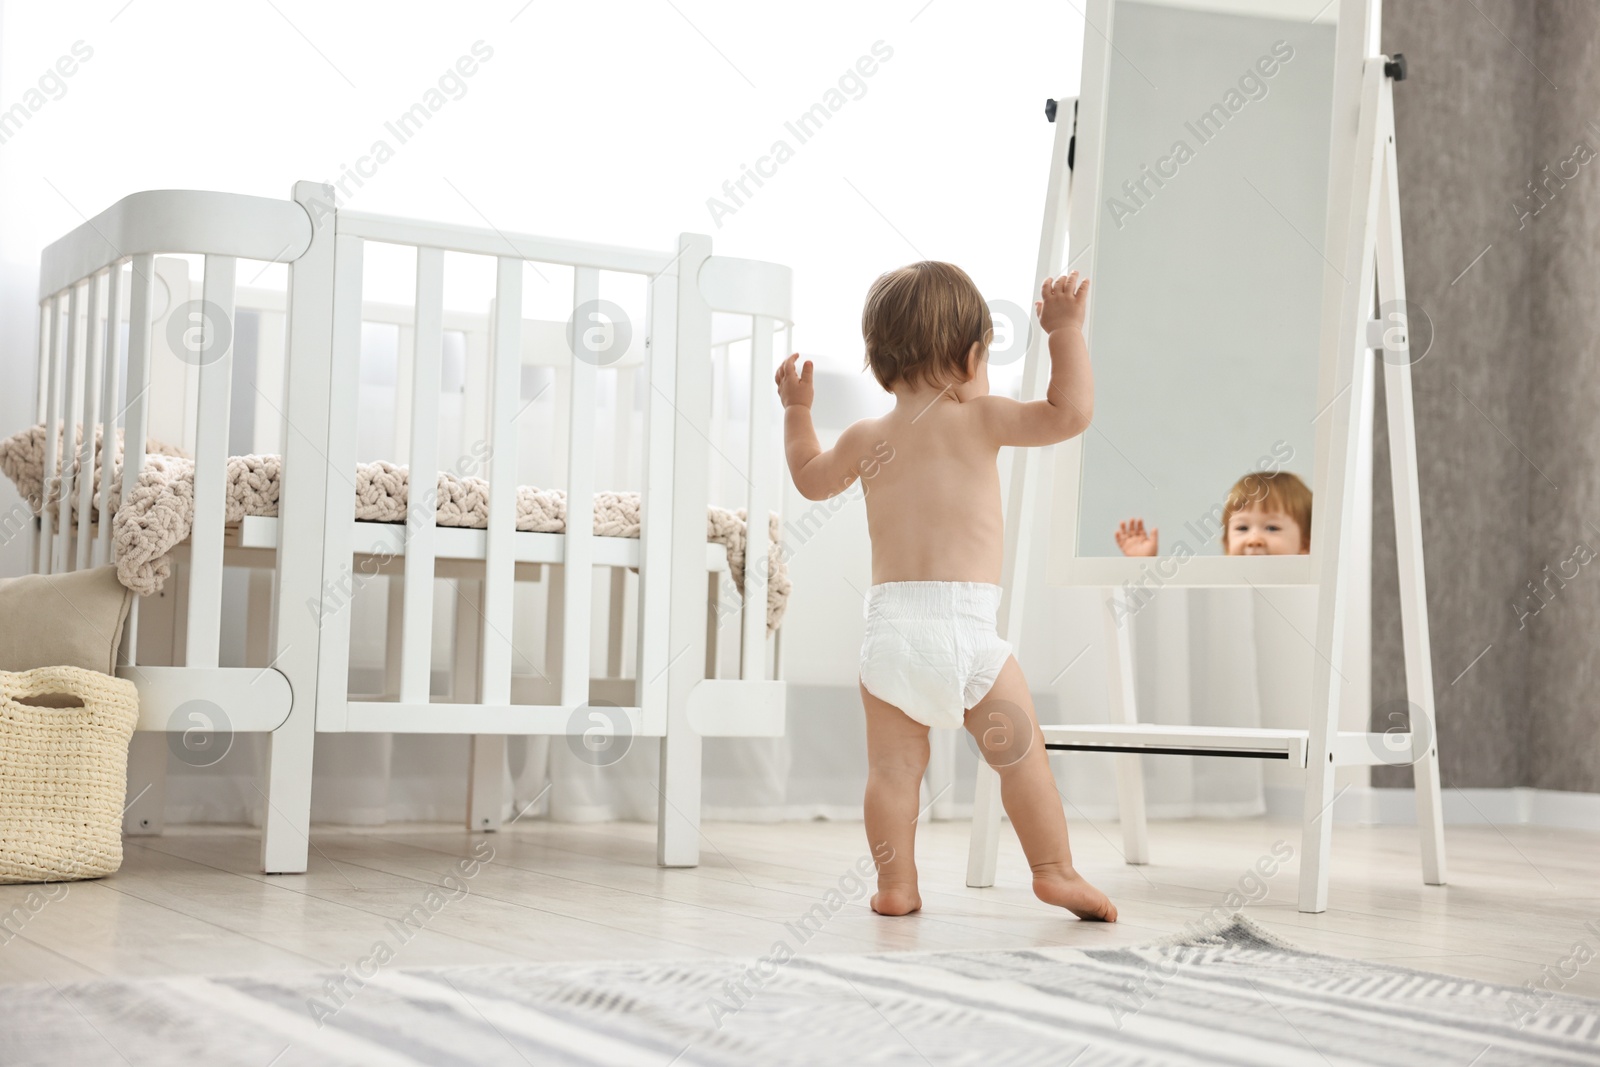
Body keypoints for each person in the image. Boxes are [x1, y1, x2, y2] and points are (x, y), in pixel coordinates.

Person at [775, 262, 1116, 921]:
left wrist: (796, 413)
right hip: (967, 632)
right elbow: (1070, 412)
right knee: (1020, 758)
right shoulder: (981, 419)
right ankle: (1054, 869)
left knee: (894, 773)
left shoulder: (866, 437)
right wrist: (1066, 331)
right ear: (970, 357)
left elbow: (812, 482)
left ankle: (897, 885)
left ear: (879, 363)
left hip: (890, 638)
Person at [1115, 470, 1312, 557]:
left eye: (1271, 527)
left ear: (1305, 543)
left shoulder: (1311, 589)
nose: (1254, 540)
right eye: (1242, 528)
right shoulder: (1220, 584)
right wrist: (1143, 565)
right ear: (1227, 544)